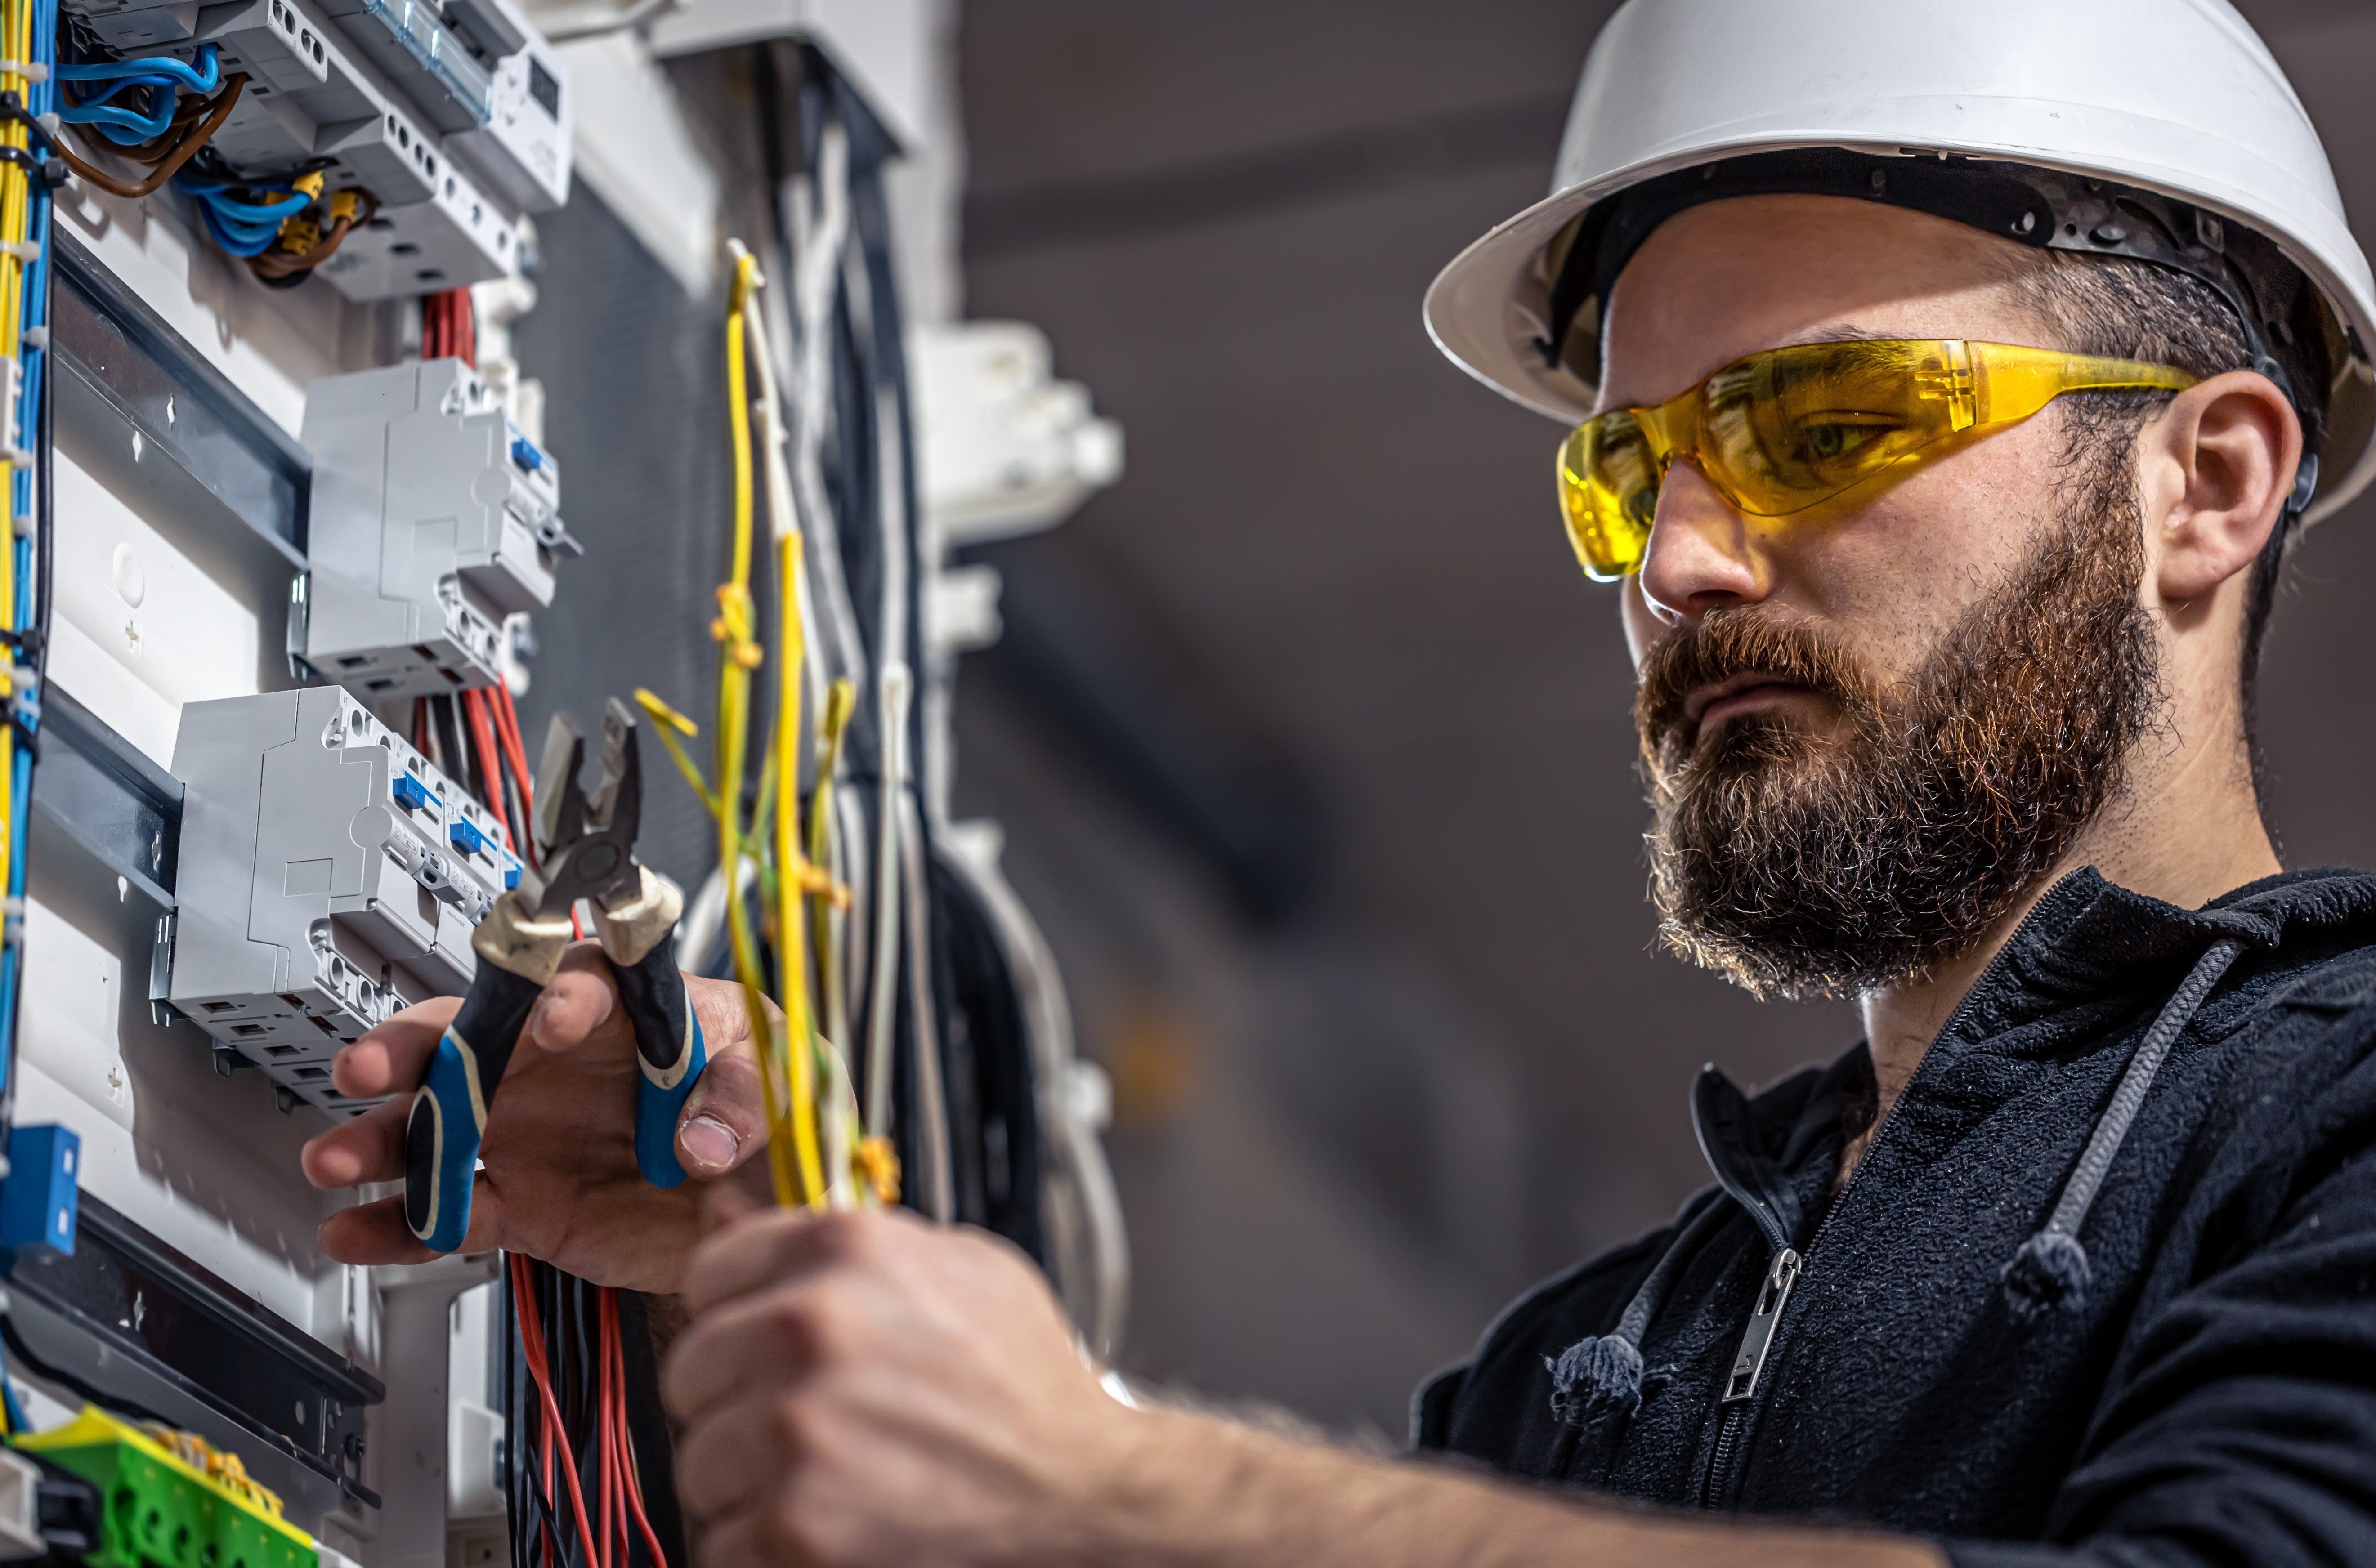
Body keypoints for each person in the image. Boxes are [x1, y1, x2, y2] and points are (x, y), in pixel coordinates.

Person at [301, 1, 2376, 1564]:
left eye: (1822, 421)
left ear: (2201, 483)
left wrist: (1110, 1481)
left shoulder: (2329, 1121)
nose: (1677, 560)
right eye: (1624, 469)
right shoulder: (1596, 1364)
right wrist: (804, 1278)